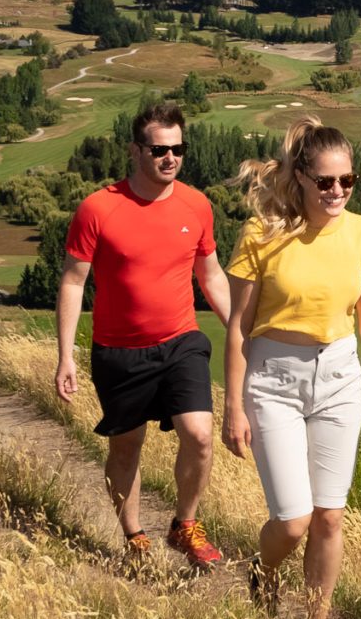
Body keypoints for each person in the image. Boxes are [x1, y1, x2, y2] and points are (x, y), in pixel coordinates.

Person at [224, 117, 361, 619]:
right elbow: (239, 327)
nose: (337, 192)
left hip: (339, 378)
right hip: (273, 380)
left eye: (347, 181)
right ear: (301, 178)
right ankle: (263, 573)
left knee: (330, 516)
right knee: (292, 522)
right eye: (326, 181)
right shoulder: (261, 232)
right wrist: (233, 405)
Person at [56, 102, 233, 568]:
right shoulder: (98, 208)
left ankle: (185, 525)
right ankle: (134, 535)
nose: (170, 158)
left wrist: (240, 328)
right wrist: (65, 356)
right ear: (136, 151)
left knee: (198, 435)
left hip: (181, 342)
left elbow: (210, 275)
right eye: (159, 149)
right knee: (126, 446)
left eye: (178, 149)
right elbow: (74, 282)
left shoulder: (196, 204)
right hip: (119, 351)